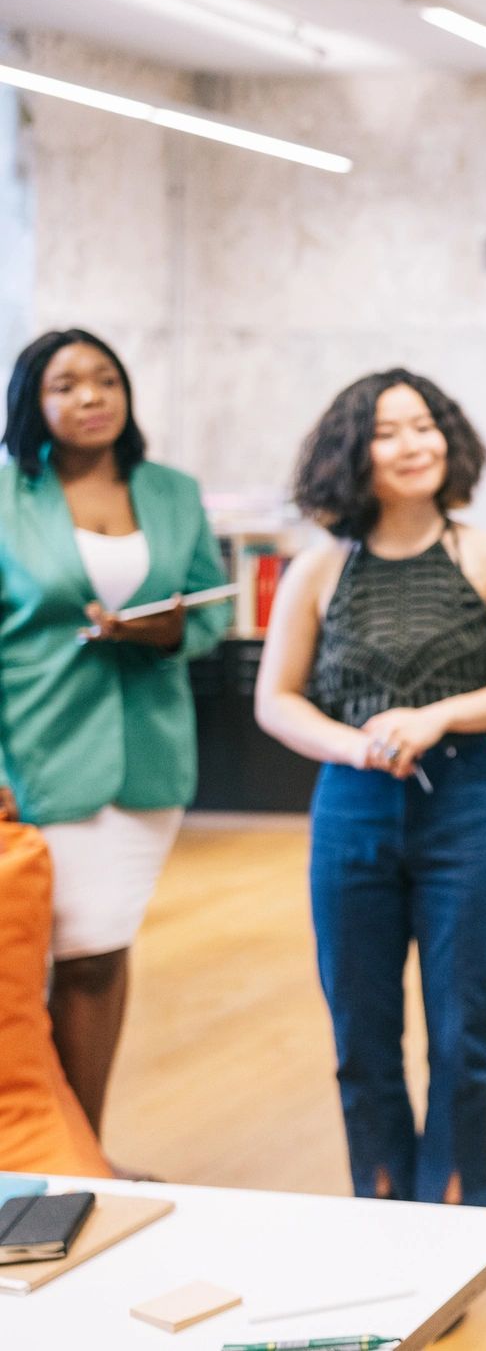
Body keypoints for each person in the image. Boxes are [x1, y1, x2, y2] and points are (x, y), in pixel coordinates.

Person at [254, 369, 486, 1207]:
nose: (414, 445)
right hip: (351, 808)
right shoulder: (319, 569)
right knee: (362, 1037)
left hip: (462, 805)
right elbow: (275, 699)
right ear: (354, 453)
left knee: (463, 1038)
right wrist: (354, 746)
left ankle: (456, 1227)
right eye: (389, 432)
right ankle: (382, 1215)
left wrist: (437, 717)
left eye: (425, 425)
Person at [0, 328, 231, 1143]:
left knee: (100, 950)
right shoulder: (5, 498)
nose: (91, 397)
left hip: (149, 750)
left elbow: (214, 607)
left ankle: (79, 1153)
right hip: (35, 749)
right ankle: (40, 1149)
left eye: (106, 380)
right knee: (32, 961)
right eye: (67, 385)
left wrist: (166, 633)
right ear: (34, 399)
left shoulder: (171, 491)